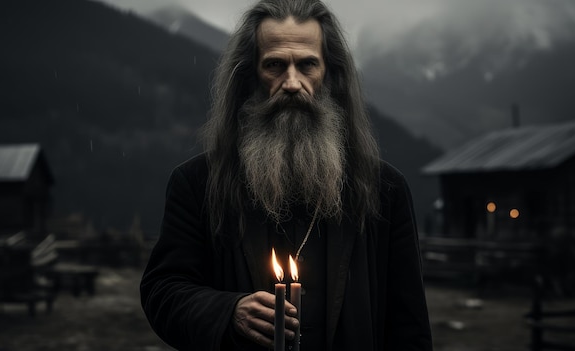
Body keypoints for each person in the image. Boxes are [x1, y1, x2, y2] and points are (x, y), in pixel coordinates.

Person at [140, 0, 433, 350]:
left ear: (330, 75)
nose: (291, 83)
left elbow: (409, 327)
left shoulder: (385, 190)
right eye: (275, 66)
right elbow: (163, 291)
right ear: (250, 77)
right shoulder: (197, 184)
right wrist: (228, 311)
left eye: (307, 65)